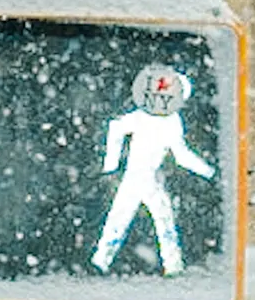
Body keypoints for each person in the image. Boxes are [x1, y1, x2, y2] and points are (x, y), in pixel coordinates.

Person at [93, 61, 216, 275]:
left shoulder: (169, 121)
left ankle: (103, 262)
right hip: (140, 177)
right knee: (154, 220)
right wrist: (110, 165)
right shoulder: (154, 118)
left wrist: (110, 165)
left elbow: (181, 155)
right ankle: (170, 266)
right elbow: (117, 127)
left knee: (130, 219)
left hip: (142, 177)